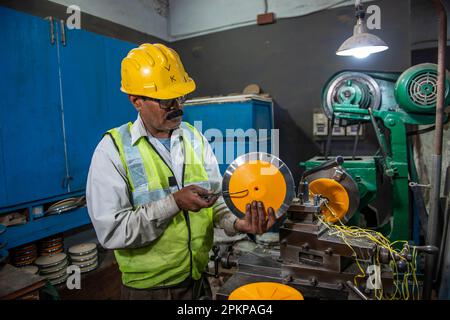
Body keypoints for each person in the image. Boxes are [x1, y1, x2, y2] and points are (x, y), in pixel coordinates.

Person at [86, 43, 277, 300]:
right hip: (148, 290)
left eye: (181, 97)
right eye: (167, 100)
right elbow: (113, 232)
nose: (178, 106)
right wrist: (174, 203)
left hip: (198, 278)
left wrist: (238, 223)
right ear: (136, 101)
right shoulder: (113, 150)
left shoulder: (193, 137)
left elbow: (216, 199)